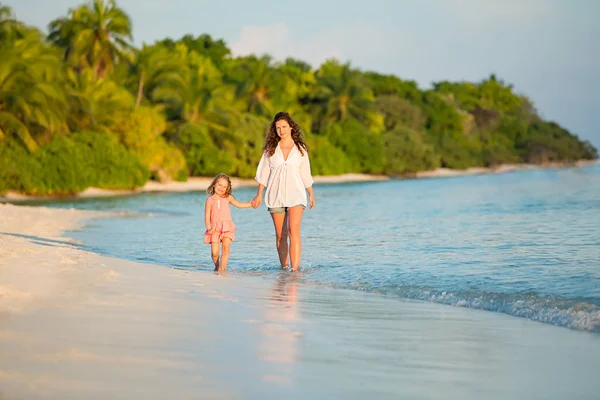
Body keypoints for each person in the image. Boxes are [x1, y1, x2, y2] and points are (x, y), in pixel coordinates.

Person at [251, 111, 315, 272]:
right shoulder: (270, 149)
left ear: (291, 127)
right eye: (278, 127)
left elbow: (305, 173)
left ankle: (294, 271)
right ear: (275, 130)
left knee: (294, 230)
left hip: (297, 195)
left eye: (284, 126)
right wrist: (259, 194)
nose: (281, 130)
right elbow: (263, 173)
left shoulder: (301, 149)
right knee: (281, 235)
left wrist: (311, 193)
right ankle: (284, 268)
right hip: (275, 195)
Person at [204, 173, 254, 272]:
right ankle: (217, 265)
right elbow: (207, 216)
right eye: (220, 185)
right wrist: (209, 228)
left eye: (224, 187)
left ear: (227, 188)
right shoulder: (209, 200)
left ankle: (222, 271)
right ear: (214, 185)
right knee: (214, 253)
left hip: (227, 227)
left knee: (226, 249)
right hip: (214, 229)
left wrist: (251, 204)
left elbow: (239, 204)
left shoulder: (228, 197)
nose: (222, 188)